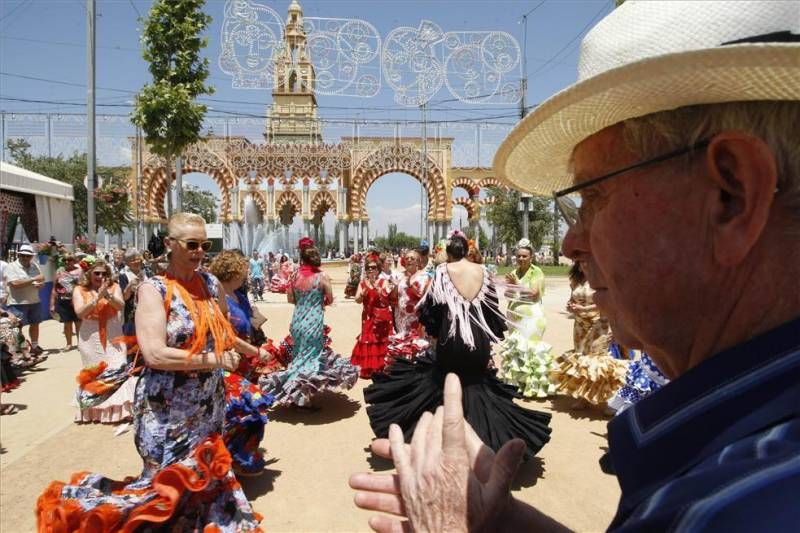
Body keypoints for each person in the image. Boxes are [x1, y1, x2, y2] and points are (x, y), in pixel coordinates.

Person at [350, 2, 800, 530]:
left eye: (593, 197)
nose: (570, 243)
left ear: (731, 195)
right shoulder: (747, 456)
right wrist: (500, 523)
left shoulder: (745, 508)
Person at [37, 213, 262, 530]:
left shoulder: (210, 283)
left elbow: (223, 331)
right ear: (170, 244)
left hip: (207, 405)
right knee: (164, 490)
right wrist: (214, 360)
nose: (199, 251)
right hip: (166, 409)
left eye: (204, 244)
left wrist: (252, 351)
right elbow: (155, 353)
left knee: (203, 486)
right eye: (192, 244)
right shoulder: (152, 290)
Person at [363, 232, 551, 461]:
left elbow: (431, 308)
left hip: (452, 339)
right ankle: (485, 445)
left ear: (450, 254)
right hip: (478, 341)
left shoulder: (443, 271)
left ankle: (437, 439)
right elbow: (492, 309)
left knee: (444, 384)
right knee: (476, 387)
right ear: (466, 251)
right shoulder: (484, 271)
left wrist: (434, 331)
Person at [260, 237, 358, 407]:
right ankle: (302, 399)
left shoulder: (294, 276)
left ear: (301, 257)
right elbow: (329, 298)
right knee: (310, 359)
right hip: (314, 322)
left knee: (299, 356)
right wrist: (319, 301)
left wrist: (303, 300)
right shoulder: (321, 277)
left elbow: (290, 299)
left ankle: (295, 392)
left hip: (297, 321)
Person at [209, 250, 276, 476]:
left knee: (243, 413)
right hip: (230, 362)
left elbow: (247, 322)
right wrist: (255, 350)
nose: (246, 275)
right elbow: (226, 336)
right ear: (232, 273)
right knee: (240, 411)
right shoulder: (219, 299)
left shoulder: (239, 295)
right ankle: (226, 461)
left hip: (247, 363)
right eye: (243, 272)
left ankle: (236, 459)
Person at [552, 263, 627, 407]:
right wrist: (571, 306)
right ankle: (583, 398)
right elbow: (572, 299)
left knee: (599, 360)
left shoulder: (602, 279)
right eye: (580, 262)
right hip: (580, 326)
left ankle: (605, 400)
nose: (583, 264)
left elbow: (608, 301)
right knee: (582, 359)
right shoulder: (575, 280)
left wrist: (585, 308)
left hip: (599, 324)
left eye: (586, 261)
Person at [71, 258, 135, 424]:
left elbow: (120, 305)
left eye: (104, 273)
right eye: (97, 273)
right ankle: (95, 412)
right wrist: (96, 298)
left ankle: (119, 412)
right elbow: (80, 313)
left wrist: (107, 294)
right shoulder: (79, 289)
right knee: (95, 371)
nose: (100, 276)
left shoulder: (114, 287)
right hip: (90, 334)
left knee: (118, 367)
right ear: (89, 274)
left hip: (113, 332)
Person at [495, 239, 556, 398]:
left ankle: (533, 387)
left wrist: (517, 284)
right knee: (517, 349)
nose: (521, 259)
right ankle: (518, 384)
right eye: (519, 256)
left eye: (524, 256)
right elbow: (509, 295)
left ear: (531, 257)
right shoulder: (514, 272)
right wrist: (509, 287)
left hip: (531, 318)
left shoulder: (537, 272)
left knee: (530, 348)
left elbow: (533, 293)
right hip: (514, 316)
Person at [351, 252, 397, 379]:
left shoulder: (384, 282)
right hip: (368, 316)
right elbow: (357, 300)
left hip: (382, 317)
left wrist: (378, 289)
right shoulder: (362, 283)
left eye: (373, 267)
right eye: (368, 268)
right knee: (367, 339)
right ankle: (369, 367)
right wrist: (362, 294)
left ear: (378, 268)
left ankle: (382, 366)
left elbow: (387, 301)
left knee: (381, 340)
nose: (371, 270)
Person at [386, 249, 429, 364]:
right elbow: (392, 298)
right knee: (402, 345)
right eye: (407, 258)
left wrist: (411, 286)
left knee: (416, 345)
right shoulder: (399, 276)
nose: (409, 260)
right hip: (401, 318)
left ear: (418, 262)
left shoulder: (424, 277)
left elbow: (424, 297)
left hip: (416, 319)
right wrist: (394, 287)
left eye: (412, 258)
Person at [4, 244, 44, 356]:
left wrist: (40, 285)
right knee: (17, 327)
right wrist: (33, 279)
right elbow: (15, 284)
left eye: (28, 256)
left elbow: (41, 280)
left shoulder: (34, 266)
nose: (25, 258)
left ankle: (35, 347)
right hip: (17, 303)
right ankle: (19, 351)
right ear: (19, 255)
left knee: (35, 324)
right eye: (23, 255)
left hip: (34, 300)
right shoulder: (11, 266)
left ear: (31, 256)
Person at [48, 253, 82, 351]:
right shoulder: (59, 271)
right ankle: (69, 344)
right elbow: (54, 288)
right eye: (65, 260)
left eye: (69, 260)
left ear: (74, 261)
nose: (67, 262)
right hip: (63, 301)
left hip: (77, 301)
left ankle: (80, 344)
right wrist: (52, 304)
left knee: (78, 323)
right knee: (67, 324)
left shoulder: (80, 271)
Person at [117, 248, 148, 337]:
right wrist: (129, 286)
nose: (136, 261)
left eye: (138, 259)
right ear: (127, 263)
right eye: (132, 260)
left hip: (147, 312)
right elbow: (124, 298)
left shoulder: (147, 273)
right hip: (131, 315)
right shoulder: (123, 276)